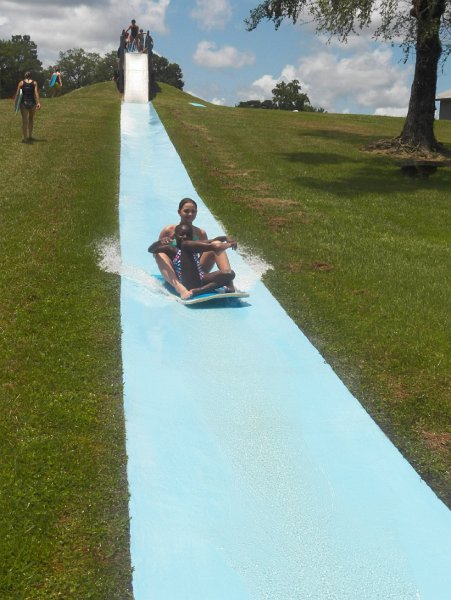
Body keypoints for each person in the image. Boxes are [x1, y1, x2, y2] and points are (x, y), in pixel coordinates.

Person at [155, 198, 237, 298]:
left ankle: (229, 283)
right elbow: (155, 252)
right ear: (179, 212)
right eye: (186, 211)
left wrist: (225, 239)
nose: (190, 214)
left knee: (216, 244)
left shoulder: (200, 233)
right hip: (174, 271)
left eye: (193, 211)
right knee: (159, 253)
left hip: (194, 271)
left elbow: (207, 249)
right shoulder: (169, 230)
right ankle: (179, 287)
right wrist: (162, 243)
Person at [148, 224, 236, 299]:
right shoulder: (171, 249)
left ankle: (199, 291)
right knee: (185, 245)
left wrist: (226, 238)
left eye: (188, 235)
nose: (185, 237)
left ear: (192, 237)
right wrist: (159, 242)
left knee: (230, 274)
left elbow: (213, 240)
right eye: (181, 235)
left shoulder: (193, 245)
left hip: (200, 279)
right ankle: (214, 247)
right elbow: (151, 250)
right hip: (187, 282)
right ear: (175, 236)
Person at [14, 71, 41, 143]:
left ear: (25, 76)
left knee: (24, 121)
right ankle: (30, 136)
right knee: (31, 119)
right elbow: (36, 93)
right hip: (32, 103)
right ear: (31, 76)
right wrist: (38, 102)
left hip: (23, 104)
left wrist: (16, 104)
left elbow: (17, 94)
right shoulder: (34, 83)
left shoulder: (21, 83)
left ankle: (25, 138)